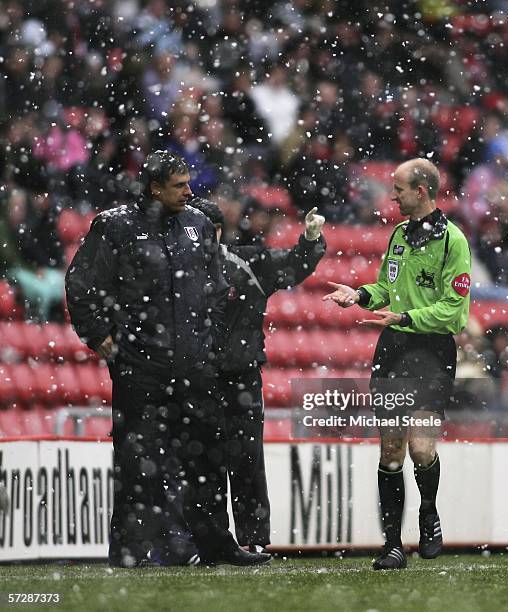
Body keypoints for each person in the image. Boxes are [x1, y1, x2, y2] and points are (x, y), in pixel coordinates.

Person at [65, 150, 271, 567]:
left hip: (194, 366)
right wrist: (98, 333)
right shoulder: (115, 226)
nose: (189, 192)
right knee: (137, 462)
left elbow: (215, 288)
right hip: (141, 367)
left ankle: (215, 546)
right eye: (179, 185)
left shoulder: (197, 225)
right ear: (155, 188)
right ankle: (131, 552)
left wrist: (207, 341)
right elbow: (82, 283)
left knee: (208, 459)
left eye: (188, 183)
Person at [324, 158, 471, 570]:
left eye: (399, 189)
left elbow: (454, 312)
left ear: (421, 191)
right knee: (390, 450)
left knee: (422, 448)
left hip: (432, 352)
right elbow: (387, 288)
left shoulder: (452, 241)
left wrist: (408, 318)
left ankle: (428, 510)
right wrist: (360, 295)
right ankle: (391, 545)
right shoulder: (399, 235)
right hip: (393, 351)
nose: (392, 195)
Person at [191, 197, 326, 553]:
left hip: (235, 375)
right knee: (207, 460)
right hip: (203, 377)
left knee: (241, 458)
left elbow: (296, 265)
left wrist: (310, 241)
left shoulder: (247, 261)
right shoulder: (180, 269)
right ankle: (212, 541)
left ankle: (248, 541)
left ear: (217, 231)